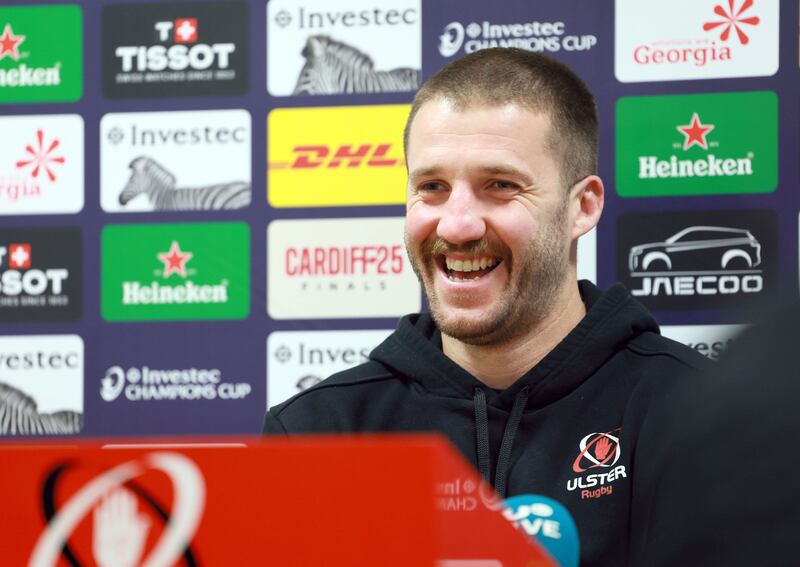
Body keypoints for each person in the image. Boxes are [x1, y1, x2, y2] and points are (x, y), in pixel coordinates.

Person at [263, 48, 709, 567]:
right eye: (432, 187)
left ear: (582, 207)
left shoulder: (698, 414)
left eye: (500, 186)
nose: (456, 225)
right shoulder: (318, 433)